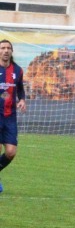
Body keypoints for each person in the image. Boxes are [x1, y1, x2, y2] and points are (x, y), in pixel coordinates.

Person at [0, 39, 26, 196]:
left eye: (8, 48)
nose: (5, 50)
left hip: (10, 117)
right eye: (3, 48)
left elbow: (21, 89)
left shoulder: (18, 70)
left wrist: (22, 99)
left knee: (10, 152)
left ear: (12, 51)